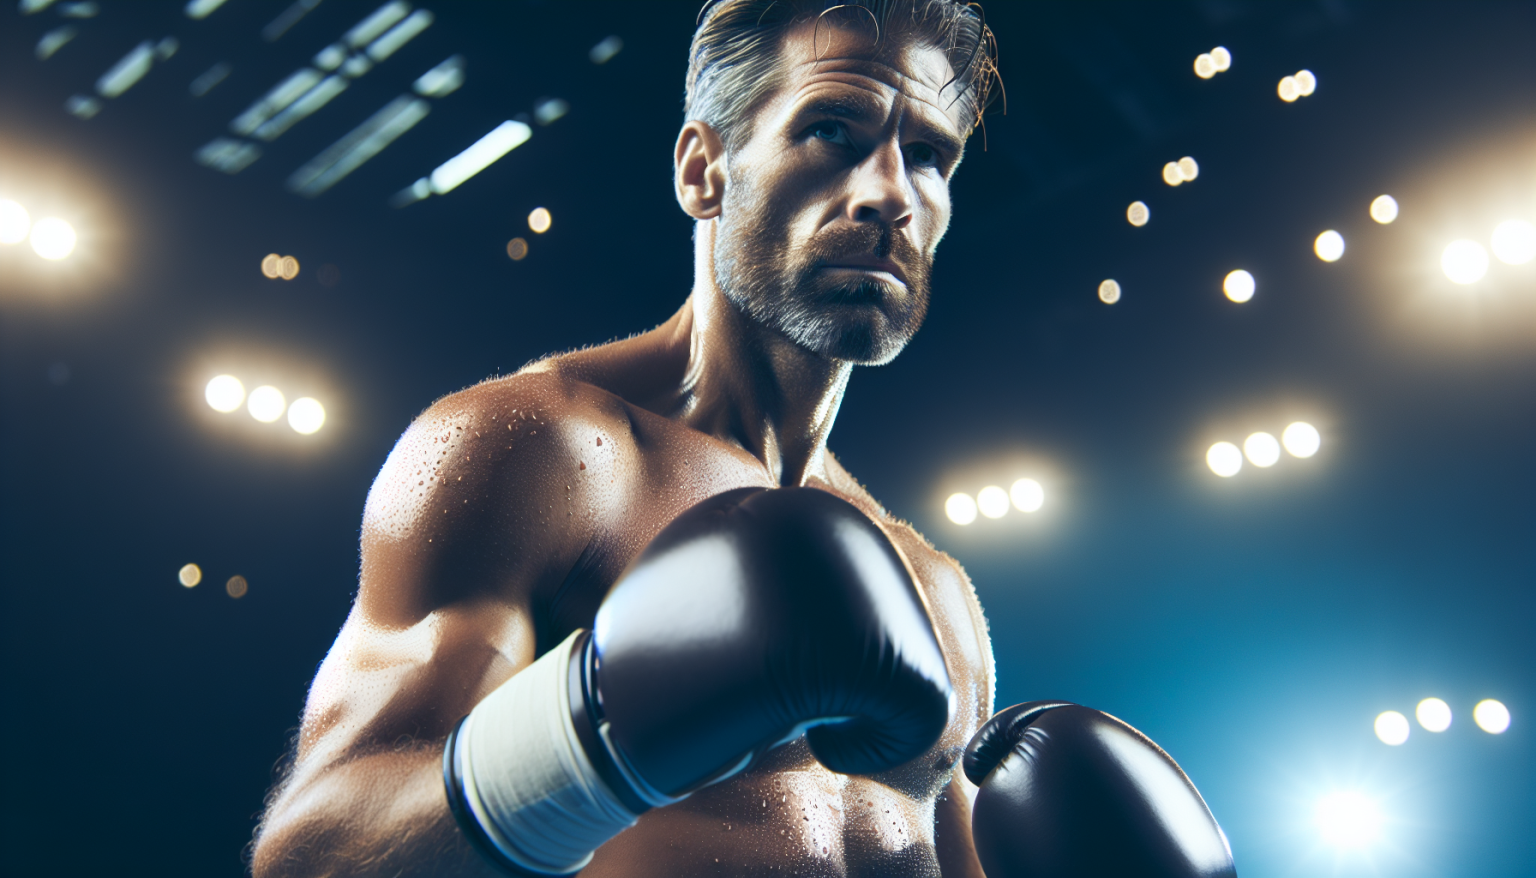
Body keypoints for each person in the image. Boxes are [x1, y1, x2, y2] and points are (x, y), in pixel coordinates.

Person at [253, 3, 1235, 877]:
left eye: (929, 154)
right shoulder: (551, 452)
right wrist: (592, 729)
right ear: (703, 169)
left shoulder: (937, 590)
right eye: (833, 130)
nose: (890, 190)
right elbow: (317, 853)